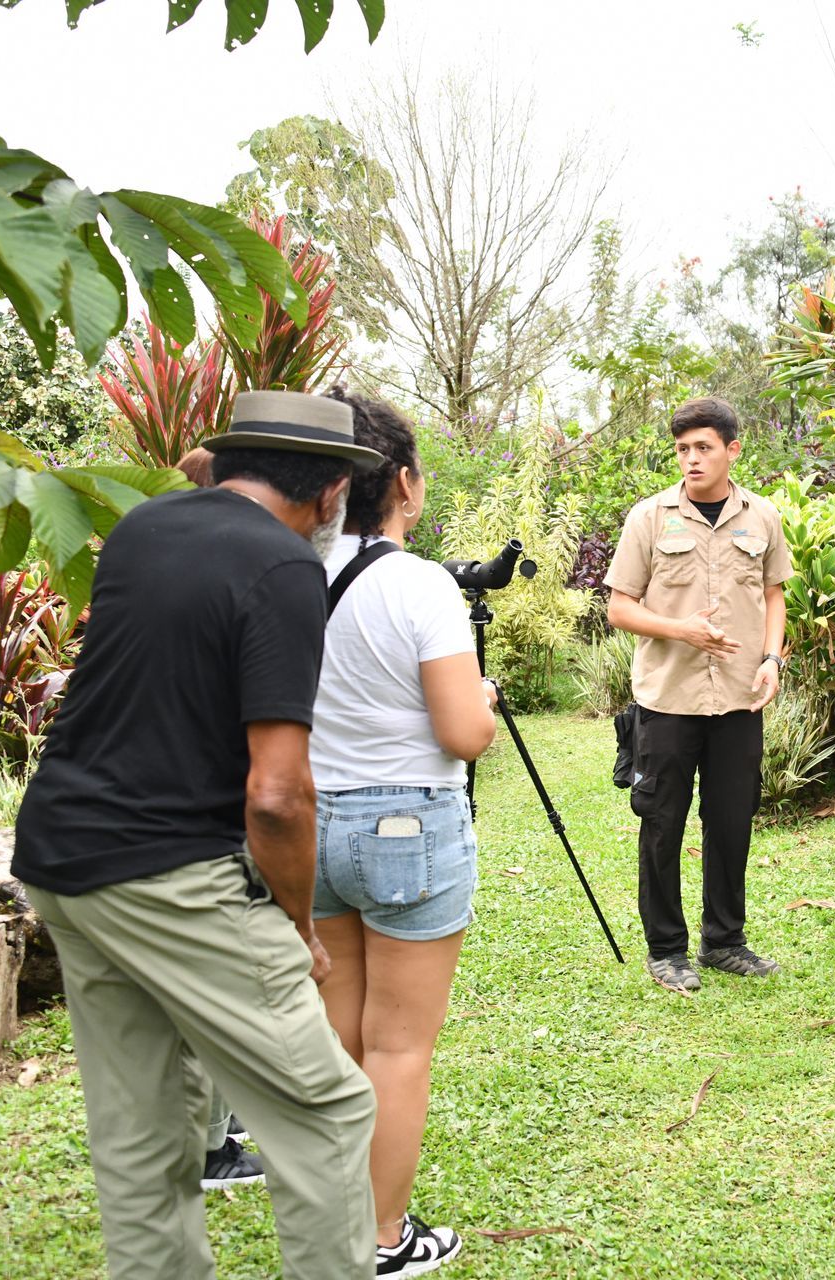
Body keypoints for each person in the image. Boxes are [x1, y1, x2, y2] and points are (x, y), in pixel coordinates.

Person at [12, 390, 385, 1280]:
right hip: (170, 870)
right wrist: (298, 928)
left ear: (229, 463)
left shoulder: (145, 528)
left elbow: (193, 480)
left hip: (63, 856)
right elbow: (278, 797)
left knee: (142, 1126)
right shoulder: (284, 566)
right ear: (333, 492)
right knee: (326, 1111)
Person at [308, 388, 498, 1278]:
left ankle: (333, 1226)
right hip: (405, 826)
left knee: (340, 1041)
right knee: (397, 1047)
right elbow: (463, 734)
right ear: (406, 484)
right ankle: (382, 1241)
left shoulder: (289, 570)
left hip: (310, 822)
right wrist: (482, 704)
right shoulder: (420, 584)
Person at [604, 396, 793, 993]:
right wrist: (680, 629)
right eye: (683, 449)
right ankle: (666, 950)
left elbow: (774, 595)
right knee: (663, 824)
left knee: (732, 822)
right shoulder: (649, 518)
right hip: (668, 700)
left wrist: (771, 659)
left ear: (732, 450)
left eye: (703, 447)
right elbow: (619, 608)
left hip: (739, 698)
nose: (691, 458)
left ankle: (724, 942)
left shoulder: (762, 517)